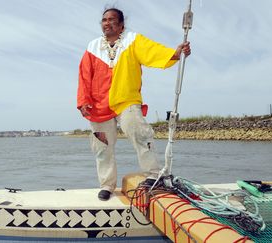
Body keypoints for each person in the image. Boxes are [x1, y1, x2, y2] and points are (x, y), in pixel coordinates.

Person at [77, 8, 191, 201]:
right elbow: (84, 75)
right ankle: (106, 185)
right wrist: (83, 101)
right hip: (98, 105)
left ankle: (154, 176)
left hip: (126, 99)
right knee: (102, 146)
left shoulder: (133, 40)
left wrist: (176, 53)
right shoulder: (93, 46)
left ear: (121, 24)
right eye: (104, 20)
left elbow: (154, 52)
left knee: (140, 133)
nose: (107, 23)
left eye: (112, 19)